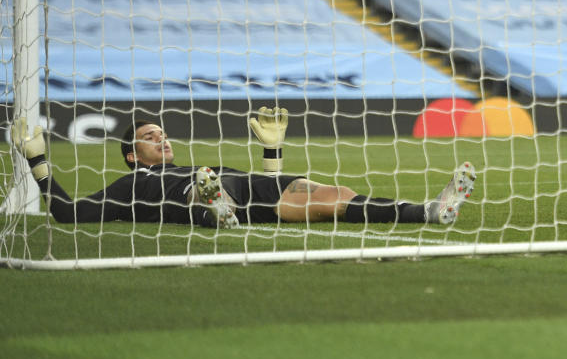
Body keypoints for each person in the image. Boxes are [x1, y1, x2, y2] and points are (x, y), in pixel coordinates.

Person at [10, 107, 476, 227]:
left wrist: (272, 149)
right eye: (151, 138)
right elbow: (70, 214)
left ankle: (430, 210)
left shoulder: (192, 162)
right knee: (321, 208)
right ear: (134, 155)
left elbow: (268, 185)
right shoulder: (128, 185)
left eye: (163, 134)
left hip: (244, 182)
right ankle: (213, 208)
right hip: (206, 195)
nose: (162, 139)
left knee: (335, 192)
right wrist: (37, 161)